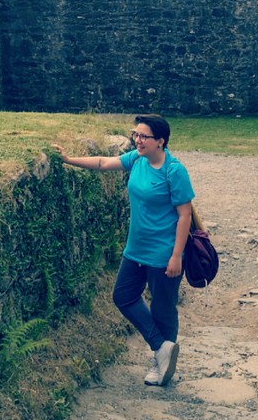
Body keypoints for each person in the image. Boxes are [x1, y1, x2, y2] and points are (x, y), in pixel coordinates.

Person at [55, 113, 194, 387]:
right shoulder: (137, 159)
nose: (138, 140)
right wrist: (70, 160)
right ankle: (161, 348)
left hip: (163, 253)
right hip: (135, 250)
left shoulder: (174, 171)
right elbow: (103, 163)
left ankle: (162, 364)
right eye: (136, 135)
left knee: (163, 309)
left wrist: (177, 255)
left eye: (144, 136)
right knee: (123, 296)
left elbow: (185, 215)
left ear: (161, 142)